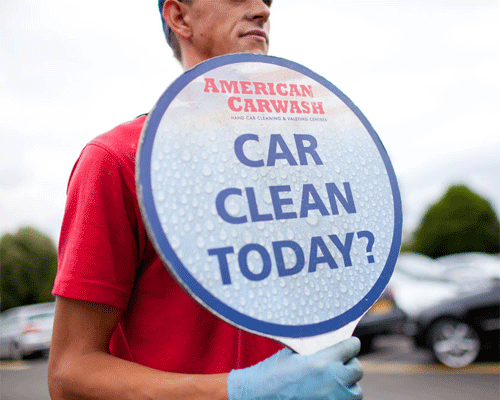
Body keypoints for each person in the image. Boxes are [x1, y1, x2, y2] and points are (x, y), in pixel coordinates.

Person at [47, 1, 364, 399]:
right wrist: (242, 391)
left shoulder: (300, 158)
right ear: (180, 18)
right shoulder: (119, 160)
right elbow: (69, 372)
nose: (262, 11)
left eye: (267, 0)